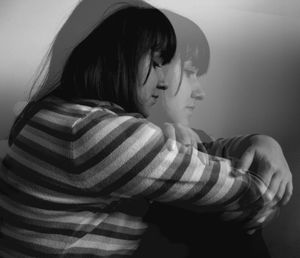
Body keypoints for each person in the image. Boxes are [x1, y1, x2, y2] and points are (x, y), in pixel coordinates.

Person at [0, 3, 292, 258]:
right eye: (157, 64)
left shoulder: (52, 114)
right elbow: (230, 188)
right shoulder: (102, 133)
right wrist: (264, 192)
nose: (163, 81)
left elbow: (194, 156)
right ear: (118, 60)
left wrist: (260, 142)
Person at [142, 10, 283, 258]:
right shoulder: (112, 142)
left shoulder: (198, 138)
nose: (200, 92)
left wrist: (263, 143)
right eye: (189, 72)